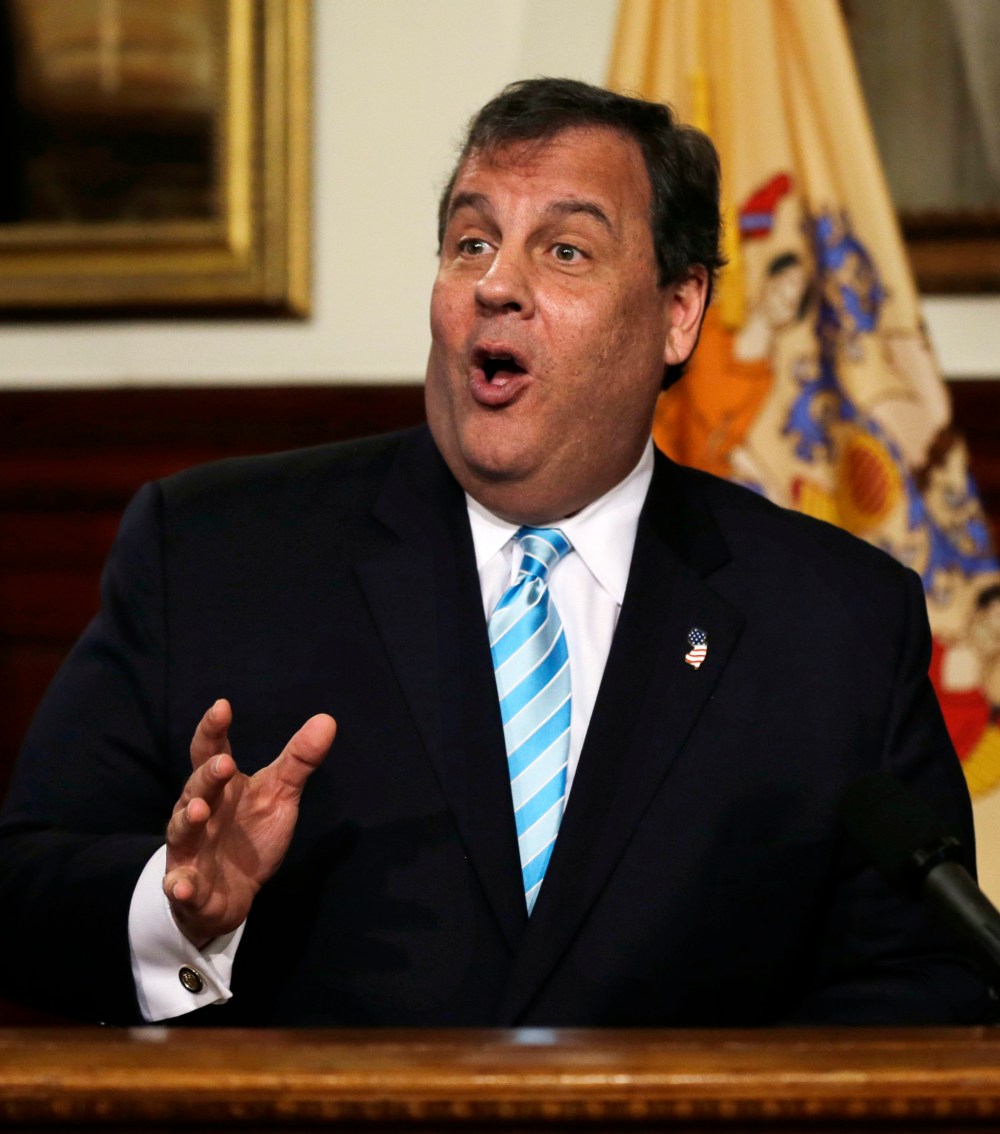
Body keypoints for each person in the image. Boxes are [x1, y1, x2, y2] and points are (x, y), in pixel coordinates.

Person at [0, 78, 988, 1027]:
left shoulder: (836, 618)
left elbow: (921, 973)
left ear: (679, 311)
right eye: (471, 242)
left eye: (564, 250)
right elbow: (22, 888)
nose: (497, 285)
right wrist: (177, 911)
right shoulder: (213, 555)